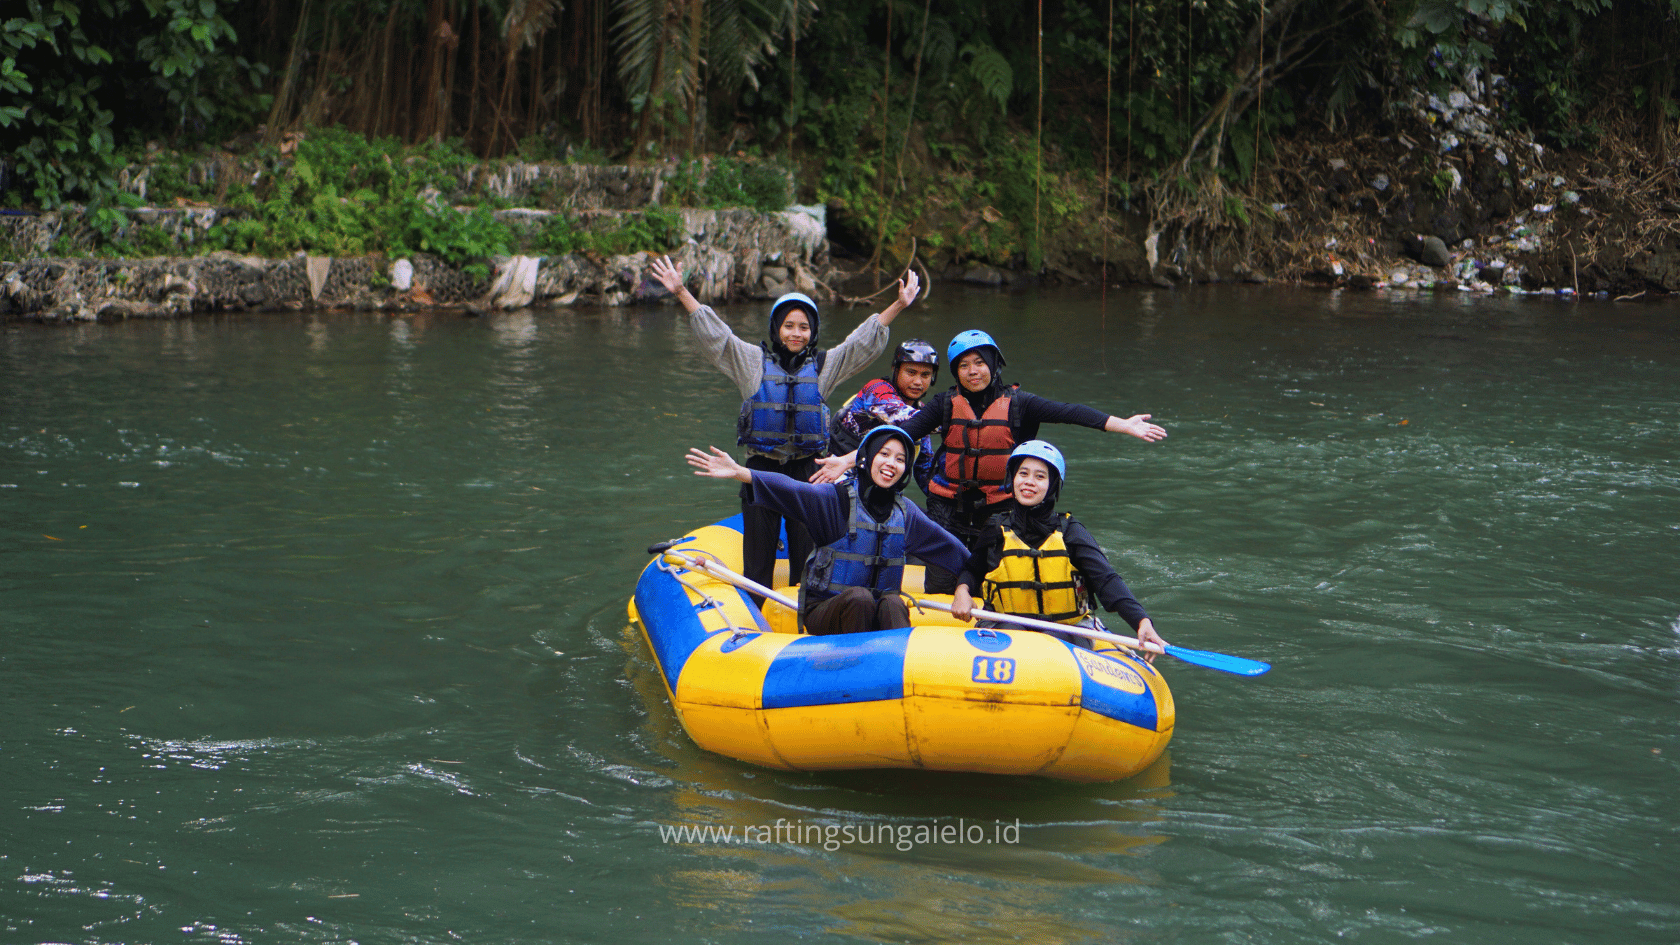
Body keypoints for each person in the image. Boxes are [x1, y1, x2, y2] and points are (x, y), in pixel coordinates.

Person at [649, 255, 921, 604]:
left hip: (808, 472)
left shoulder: (824, 366)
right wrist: (682, 291)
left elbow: (860, 345)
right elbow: (717, 336)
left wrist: (897, 305)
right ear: (777, 327)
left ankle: (805, 616)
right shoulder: (750, 362)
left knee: (807, 554)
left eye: (804, 327)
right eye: (789, 325)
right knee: (758, 557)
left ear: (813, 332)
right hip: (759, 471)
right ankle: (755, 617)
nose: (796, 333)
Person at [815, 329, 1166, 592]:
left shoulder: (1019, 403)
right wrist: (848, 461)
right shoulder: (944, 404)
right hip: (947, 510)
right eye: (964, 366)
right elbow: (901, 434)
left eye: (979, 363)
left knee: (992, 579)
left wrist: (1124, 425)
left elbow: (1071, 412)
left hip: (998, 512)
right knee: (942, 582)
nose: (972, 372)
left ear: (993, 364)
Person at [686, 425, 968, 636]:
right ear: (866, 458)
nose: (890, 464)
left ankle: (894, 680)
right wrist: (739, 472)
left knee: (892, 602)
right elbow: (791, 489)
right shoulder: (836, 500)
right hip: (825, 611)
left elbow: (953, 552)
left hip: (877, 615)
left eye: (899, 459)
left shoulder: (906, 514)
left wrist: (965, 587)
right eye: (884, 454)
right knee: (860, 599)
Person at [949, 440, 1168, 660]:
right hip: (1005, 624)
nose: (1029, 482)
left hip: (1065, 629)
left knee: (1050, 640)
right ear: (1012, 478)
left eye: (1040, 476)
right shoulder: (996, 527)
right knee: (1011, 629)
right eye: (1023, 474)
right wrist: (962, 591)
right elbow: (972, 570)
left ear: (1053, 484)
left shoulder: (1071, 532)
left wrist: (1141, 621)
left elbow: (1107, 581)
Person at [828, 338, 940, 494]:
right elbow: (903, 416)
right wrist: (955, 418)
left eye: (926, 375)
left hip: (884, 489)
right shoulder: (877, 390)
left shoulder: (922, 411)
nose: (918, 382)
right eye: (911, 372)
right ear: (896, 370)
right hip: (840, 478)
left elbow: (925, 468)